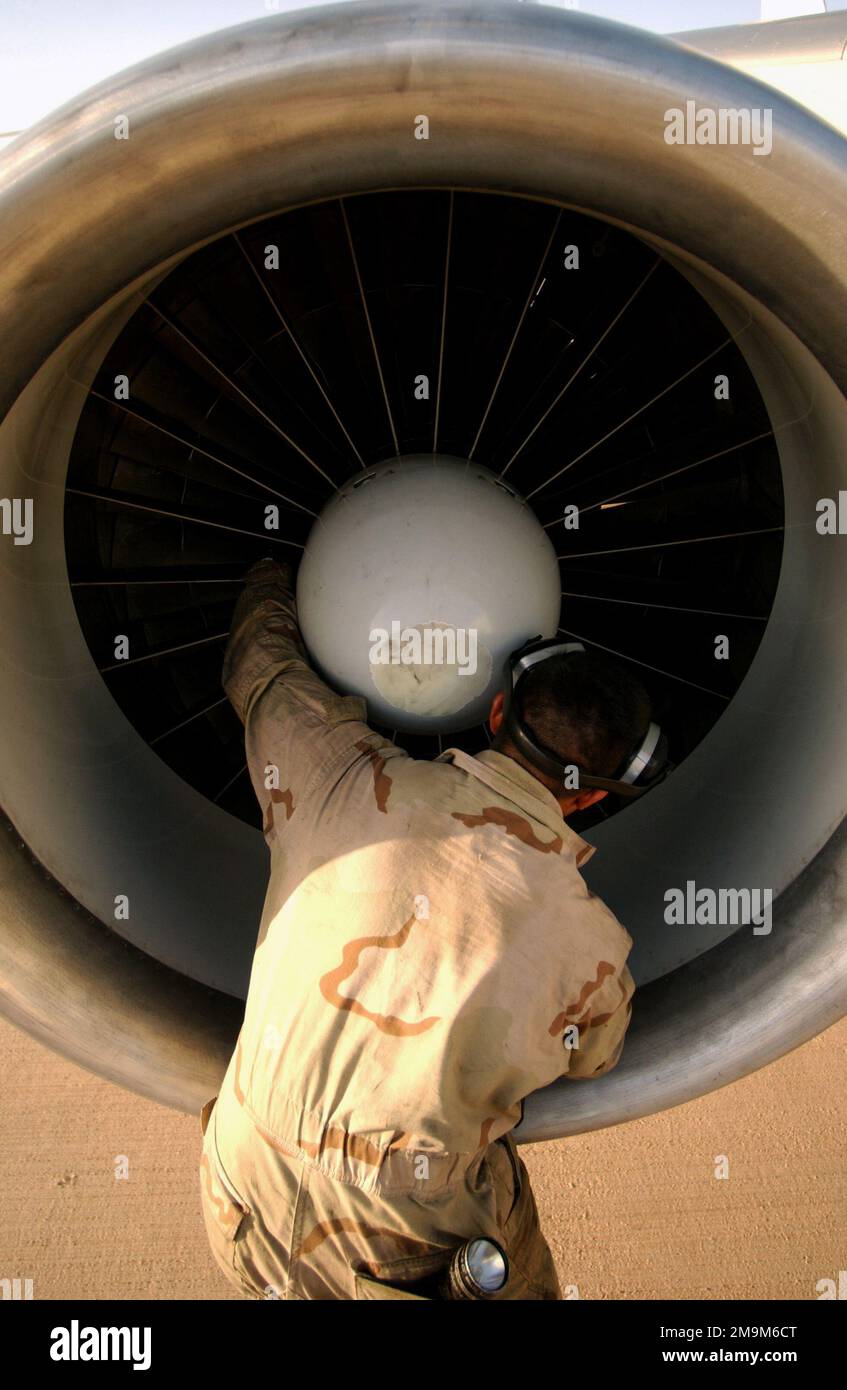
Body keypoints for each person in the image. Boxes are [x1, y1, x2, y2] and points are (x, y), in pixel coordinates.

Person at [199, 555, 649, 1300]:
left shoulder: (336, 780)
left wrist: (278, 569)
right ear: (594, 797)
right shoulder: (592, 953)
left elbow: (261, 666)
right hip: (401, 1250)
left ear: (499, 714)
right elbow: (594, 1058)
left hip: (240, 1187)